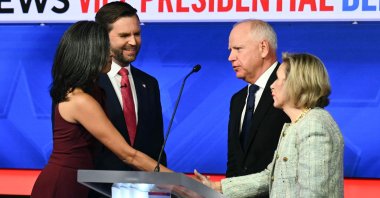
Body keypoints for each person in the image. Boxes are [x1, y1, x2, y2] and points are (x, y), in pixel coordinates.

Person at [31, 21, 171, 198]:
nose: (111, 54)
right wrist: (181, 182)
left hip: (81, 183)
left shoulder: (91, 93)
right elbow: (129, 155)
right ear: (90, 54)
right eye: (105, 49)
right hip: (64, 185)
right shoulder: (80, 100)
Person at [195, 52, 344, 197]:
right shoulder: (295, 125)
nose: (272, 85)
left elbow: (313, 193)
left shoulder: (313, 126)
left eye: (278, 79)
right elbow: (270, 177)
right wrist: (216, 186)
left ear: (296, 84)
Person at [94, 1, 167, 172]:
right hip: (97, 189)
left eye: (137, 34)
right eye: (124, 35)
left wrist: (165, 185)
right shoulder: (87, 83)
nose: (133, 42)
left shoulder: (149, 83)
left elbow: (157, 146)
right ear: (103, 37)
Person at [225, 19, 290, 192]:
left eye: (238, 49)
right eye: (230, 50)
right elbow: (235, 162)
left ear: (263, 48)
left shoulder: (291, 90)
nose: (230, 57)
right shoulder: (237, 100)